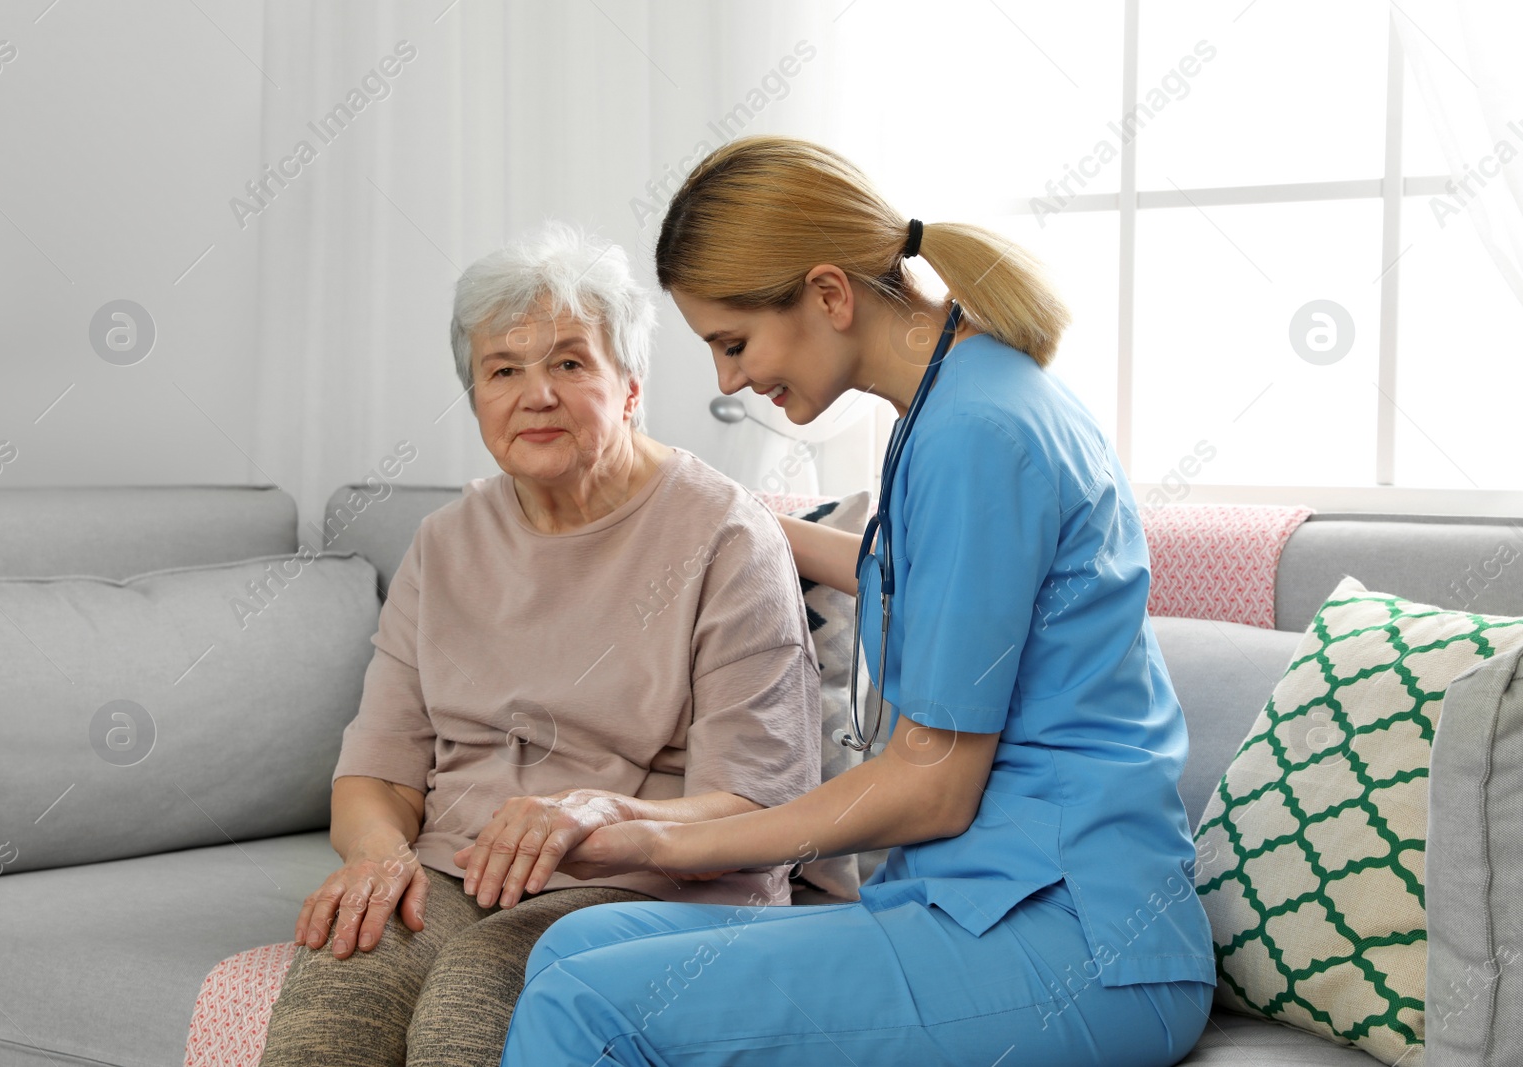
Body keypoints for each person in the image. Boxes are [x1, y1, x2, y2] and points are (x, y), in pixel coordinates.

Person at [496, 136, 1216, 1066]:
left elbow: (933, 781)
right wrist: (725, 512)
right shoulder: (955, 396)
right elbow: (912, 579)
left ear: (828, 295)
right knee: (572, 947)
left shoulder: (976, 432)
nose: (727, 379)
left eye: (732, 342)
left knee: (589, 1000)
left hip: (1077, 937)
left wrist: (659, 839)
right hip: (980, 901)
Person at [258, 220, 824, 1067]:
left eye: (569, 362)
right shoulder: (444, 543)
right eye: (503, 369)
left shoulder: (726, 536)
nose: (537, 394)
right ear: (477, 395)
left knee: (473, 1008)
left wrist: (599, 812)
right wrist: (378, 857)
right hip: (460, 871)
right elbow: (378, 767)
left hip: (653, 884)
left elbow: (756, 802)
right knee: (338, 987)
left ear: (630, 386)